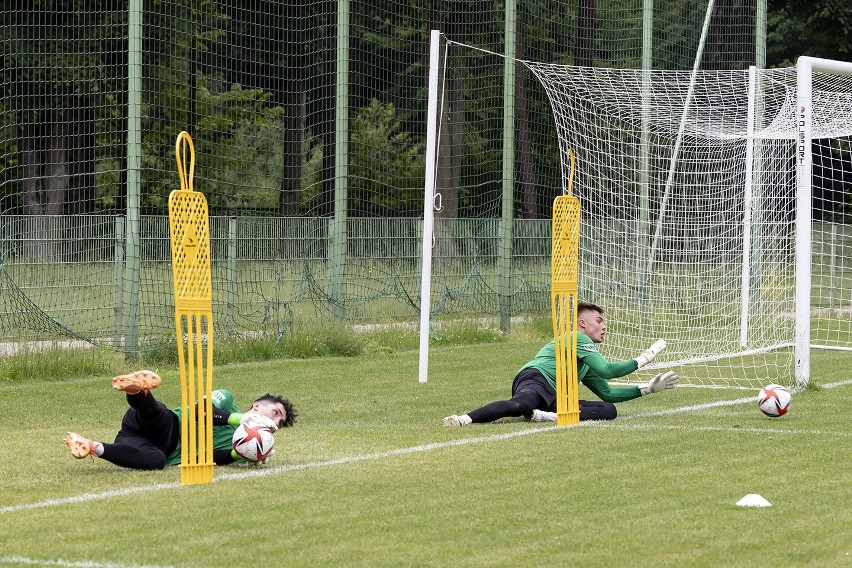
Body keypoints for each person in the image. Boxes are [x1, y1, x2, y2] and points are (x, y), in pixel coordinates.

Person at [443, 301, 678, 426]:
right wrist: (644, 358)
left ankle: (546, 416)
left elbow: (607, 393)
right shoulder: (577, 337)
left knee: (609, 410)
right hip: (536, 379)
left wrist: (647, 389)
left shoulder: (586, 355)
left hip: (558, 393)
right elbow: (607, 371)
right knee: (521, 404)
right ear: (582, 324)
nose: (604, 326)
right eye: (599, 320)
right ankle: (464, 419)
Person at [64, 369, 297, 469]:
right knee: (157, 414)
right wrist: (241, 419)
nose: (275, 422)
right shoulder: (226, 399)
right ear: (257, 405)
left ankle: (91, 446)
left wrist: (243, 453)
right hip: (167, 425)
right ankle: (135, 389)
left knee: (156, 461)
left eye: (280, 423)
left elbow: (209, 458)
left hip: (149, 445)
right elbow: (199, 411)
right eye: (276, 413)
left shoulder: (241, 444)